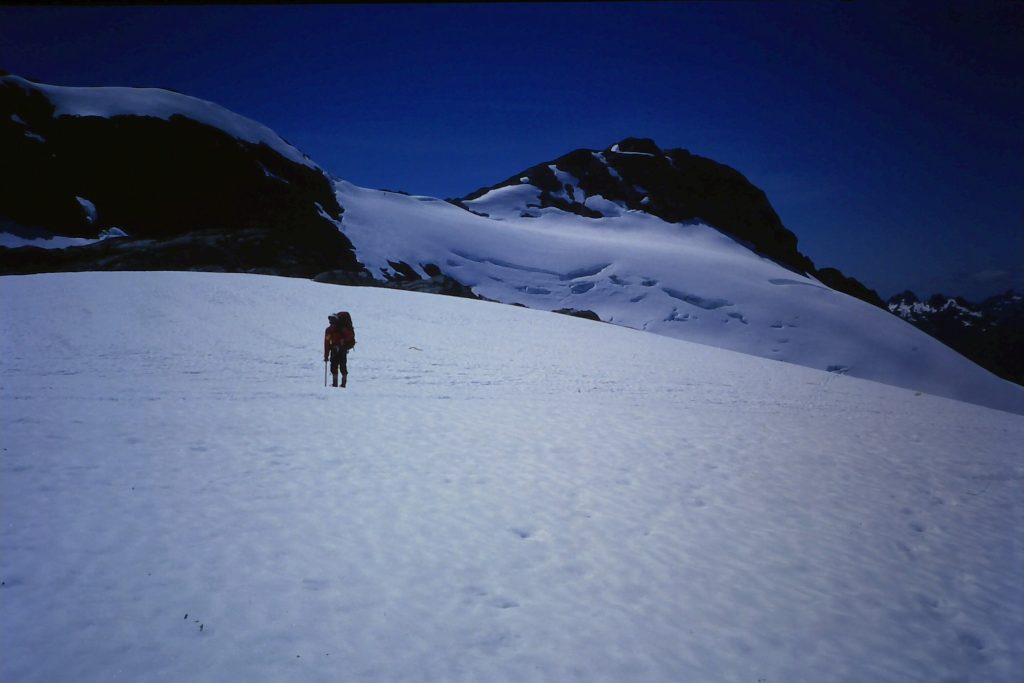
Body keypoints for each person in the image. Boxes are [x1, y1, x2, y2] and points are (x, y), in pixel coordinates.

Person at [323, 311, 356, 388]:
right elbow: (350, 335)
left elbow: (327, 343)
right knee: (341, 366)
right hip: (341, 349)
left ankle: (337, 384)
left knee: (337, 366)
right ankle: (342, 384)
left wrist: (326, 356)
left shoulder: (331, 330)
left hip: (338, 349)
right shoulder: (337, 329)